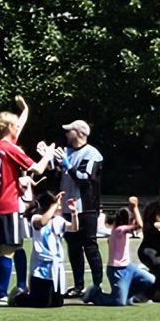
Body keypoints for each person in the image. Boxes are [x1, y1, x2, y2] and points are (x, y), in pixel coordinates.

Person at [0, 97, 44, 304]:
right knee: (11, 248)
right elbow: (38, 168)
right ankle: (2, 292)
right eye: (15, 126)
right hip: (8, 204)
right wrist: (47, 154)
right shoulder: (9, 147)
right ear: (9, 127)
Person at [60, 120, 105, 299]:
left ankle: (97, 285)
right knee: (73, 247)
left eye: (69, 131)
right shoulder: (67, 152)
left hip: (86, 208)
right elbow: (57, 171)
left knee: (90, 246)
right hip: (68, 207)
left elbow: (84, 178)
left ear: (79, 133)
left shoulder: (92, 153)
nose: (66, 134)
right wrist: (48, 158)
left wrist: (68, 165)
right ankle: (78, 286)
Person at [12, 191, 71, 308]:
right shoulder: (36, 218)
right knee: (42, 303)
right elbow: (43, 222)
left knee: (57, 303)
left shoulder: (58, 220)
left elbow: (74, 227)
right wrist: (54, 205)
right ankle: (18, 297)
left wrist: (74, 213)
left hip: (56, 267)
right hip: (41, 267)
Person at [101, 198, 155, 307]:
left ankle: (129, 296)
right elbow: (140, 225)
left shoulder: (119, 230)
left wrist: (133, 211)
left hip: (128, 266)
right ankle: (94, 294)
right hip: (117, 270)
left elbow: (136, 224)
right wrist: (135, 208)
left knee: (150, 279)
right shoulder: (119, 230)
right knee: (119, 302)